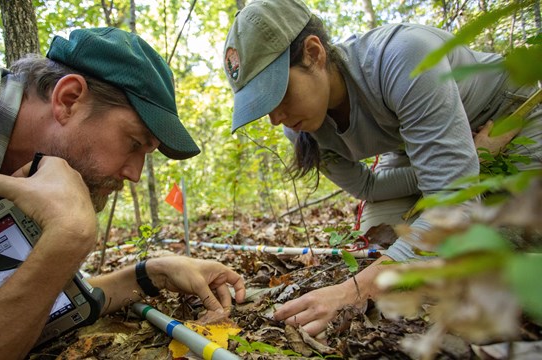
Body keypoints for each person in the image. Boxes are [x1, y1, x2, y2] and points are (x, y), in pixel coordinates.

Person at [0, 28, 246, 359]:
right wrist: (67, 241)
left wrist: (153, 273)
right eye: (134, 143)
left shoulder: (25, 163)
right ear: (68, 100)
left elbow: (30, 301)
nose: (135, 174)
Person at [222, 0, 541, 337]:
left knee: (503, 251)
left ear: (314, 53)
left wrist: (353, 290)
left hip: (506, 119)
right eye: (261, 105)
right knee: (384, 240)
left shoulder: (402, 57)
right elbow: (368, 188)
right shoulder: (300, 126)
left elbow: (454, 207)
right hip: (417, 146)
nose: (274, 119)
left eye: (277, 94)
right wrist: (467, 161)